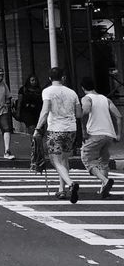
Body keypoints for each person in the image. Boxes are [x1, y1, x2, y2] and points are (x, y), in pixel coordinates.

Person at [35, 67, 83, 202]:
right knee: (64, 160)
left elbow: (45, 111)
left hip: (55, 129)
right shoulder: (72, 93)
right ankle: (61, 190)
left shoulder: (47, 91)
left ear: (50, 78)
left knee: (55, 160)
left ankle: (70, 184)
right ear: (63, 77)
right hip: (71, 129)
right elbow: (79, 114)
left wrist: (38, 128)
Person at [79, 76, 120, 198]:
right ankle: (103, 190)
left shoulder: (86, 98)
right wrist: (118, 134)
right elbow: (119, 116)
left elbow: (84, 112)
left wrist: (83, 128)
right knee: (103, 162)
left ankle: (105, 181)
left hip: (95, 134)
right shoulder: (105, 99)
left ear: (83, 88)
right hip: (109, 135)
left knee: (86, 157)